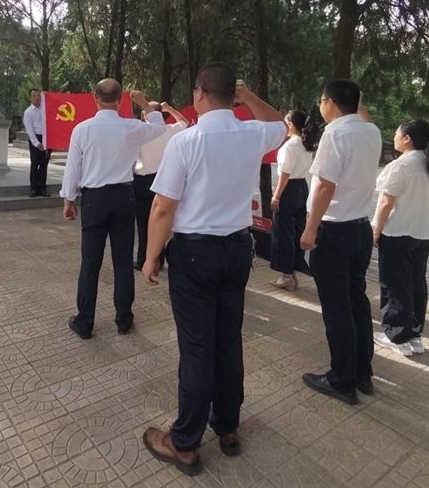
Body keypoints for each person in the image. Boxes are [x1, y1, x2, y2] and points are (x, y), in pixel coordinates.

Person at [139, 64, 286, 476]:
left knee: (197, 349)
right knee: (227, 341)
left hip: (195, 254)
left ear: (199, 94)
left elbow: (163, 206)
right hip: (237, 249)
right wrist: (247, 95)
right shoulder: (252, 133)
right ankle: (227, 426)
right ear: (233, 96)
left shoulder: (186, 141)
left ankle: (184, 442)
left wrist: (151, 256)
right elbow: (279, 123)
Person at [61, 80, 167, 339]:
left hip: (94, 200)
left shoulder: (82, 129)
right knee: (122, 261)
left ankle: (85, 322)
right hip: (123, 197)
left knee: (90, 263)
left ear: (95, 97)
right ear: (120, 100)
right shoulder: (131, 127)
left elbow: (73, 168)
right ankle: (124, 320)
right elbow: (159, 126)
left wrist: (69, 199)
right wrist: (143, 102)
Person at [299, 80, 382, 405]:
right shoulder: (370, 131)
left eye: (321, 101)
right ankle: (362, 373)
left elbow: (324, 186)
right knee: (357, 302)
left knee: (337, 310)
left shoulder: (335, 133)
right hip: (360, 229)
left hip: (333, 232)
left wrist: (310, 229)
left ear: (330, 103)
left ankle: (341, 379)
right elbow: (362, 113)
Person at [371, 119, 429, 357]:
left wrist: (376, 230)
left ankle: (397, 336)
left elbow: (385, 202)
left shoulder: (401, 165)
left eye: (396, 133)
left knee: (395, 285)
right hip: (422, 233)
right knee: (416, 284)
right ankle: (414, 335)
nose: (394, 138)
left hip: (398, 232)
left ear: (407, 139)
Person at [132, 102, 189, 270]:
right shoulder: (170, 130)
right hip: (165, 179)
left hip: (143, 180)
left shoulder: (140, 132)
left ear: (144, 115)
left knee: (144, 223)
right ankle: (160, 257)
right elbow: (185, 122)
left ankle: (144, 259)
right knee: (162, 220)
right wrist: (170, 109)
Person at [270, 109, 317, 290]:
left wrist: (276, 196)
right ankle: (294, 270)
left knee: (284, 233)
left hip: (288, 189)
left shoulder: (290, 146)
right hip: (302, 188)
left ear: (290, 124)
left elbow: (285, 173)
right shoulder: (307, 144)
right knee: (296, 231)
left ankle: (286, 276)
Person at [23, 89, 51, 197]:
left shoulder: (46, 109)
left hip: (46, 139)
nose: (37, 98)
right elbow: (29, 130)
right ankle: (33, 189)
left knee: (44, 165)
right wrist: (37, 143)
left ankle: (42, 188)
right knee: (35, 164)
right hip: (35, 139)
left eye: (38, 95)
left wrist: (48, 141)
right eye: (34, 96)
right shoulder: (28, 112)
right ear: (30, 98)